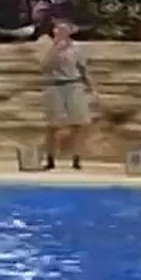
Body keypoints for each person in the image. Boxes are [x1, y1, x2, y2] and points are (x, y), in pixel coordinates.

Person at [39, 20, 98, 170]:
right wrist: (54, 50)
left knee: (78, 123)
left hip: (73, 84)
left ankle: (76, 158)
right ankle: (50, 159)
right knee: (53, 125)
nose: (60, 33)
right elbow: (44, 67)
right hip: (55, 86)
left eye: (63, 31)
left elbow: (84, 69)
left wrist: (92, 88)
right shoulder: (46, 47)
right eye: (58, 30)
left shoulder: (76, 49)